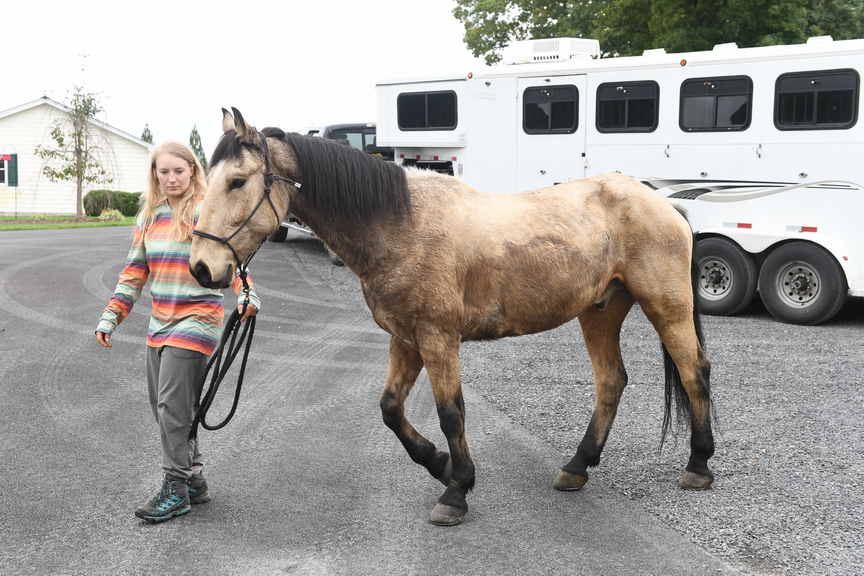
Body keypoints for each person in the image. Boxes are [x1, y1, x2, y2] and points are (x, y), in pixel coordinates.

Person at [95, 141, 260, 523]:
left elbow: (232, 260)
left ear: (192, 171)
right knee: (168, 409)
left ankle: (175, 488)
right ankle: (194, 479)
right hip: (160, 323)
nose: (171, 178)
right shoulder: (150, 216)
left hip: (197, 319)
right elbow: (134, 273)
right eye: (163, 172)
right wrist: (112, 314)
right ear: (155, 175)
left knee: (172, 408)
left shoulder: (205, 211)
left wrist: (246, 292)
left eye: (178, 171)